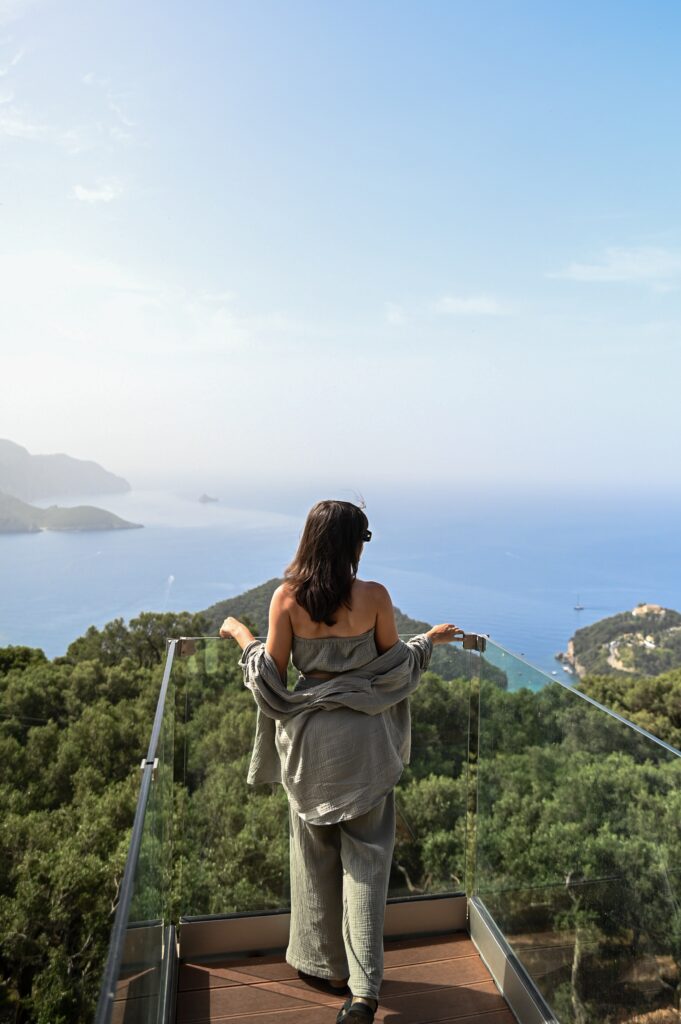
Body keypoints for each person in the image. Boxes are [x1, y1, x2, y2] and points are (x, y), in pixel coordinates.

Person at [220, 500, 461, 1024]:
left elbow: (270, 681)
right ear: (353, 543)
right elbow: (395, 671)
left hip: (310, 749)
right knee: (367, 867)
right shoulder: (374, 597)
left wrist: (240, 634)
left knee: (315, 859)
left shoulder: (287, 599)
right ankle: (364, 992)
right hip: (365, 747)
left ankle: (327, 968)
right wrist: (428, 642)